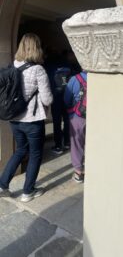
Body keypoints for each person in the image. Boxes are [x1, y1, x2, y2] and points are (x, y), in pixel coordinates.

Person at [0, 33, 53, 202]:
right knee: (35, 154)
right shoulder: (38, 69)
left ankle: (2, 186)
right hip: (32, 120)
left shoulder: (12, 66)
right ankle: (28, 191)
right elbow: (47, 99)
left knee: (20, 150)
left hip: (14, 119)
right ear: (37, 48)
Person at [45, 49, 81, 155]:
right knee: (67, 120)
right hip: (67, 96)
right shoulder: (69, 65)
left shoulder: (49, 66)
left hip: (55, 97)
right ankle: (67, 142)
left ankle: (58, 146)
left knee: (56, 122)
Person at [64, 71, 87, 183]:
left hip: (77, 116)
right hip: (96, 116)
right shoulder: (101, 77)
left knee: (77, 143)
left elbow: (67, 99)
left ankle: (78, 172)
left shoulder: (75, 79)